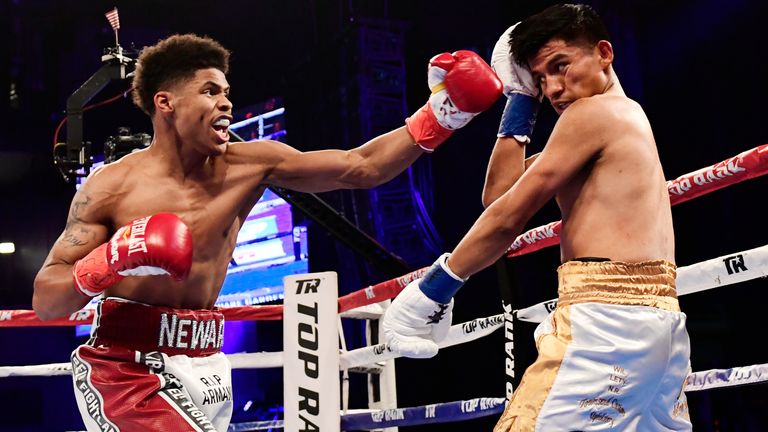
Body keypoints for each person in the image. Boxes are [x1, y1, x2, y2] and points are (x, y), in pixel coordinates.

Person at [32, 34, 502, 431]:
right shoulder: (110, 186)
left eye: (227, 91)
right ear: (166, 103)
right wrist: (108, 259)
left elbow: (362, 166)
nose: (226, 102)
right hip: (125, 366)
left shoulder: (250, 164)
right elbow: (47, 299)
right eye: (210, 91)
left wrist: (443, 112)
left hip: (208, 363)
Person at [382, 4, 692, 431]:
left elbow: (508, 216)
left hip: (607, 323)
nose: (554, 89)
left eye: (560, 67)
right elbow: (499, 193)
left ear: (604, 53)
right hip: (661, 328)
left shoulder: (592, 115)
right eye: (540, 80)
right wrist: (520, 99)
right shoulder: (618, 118)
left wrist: (433, 290)